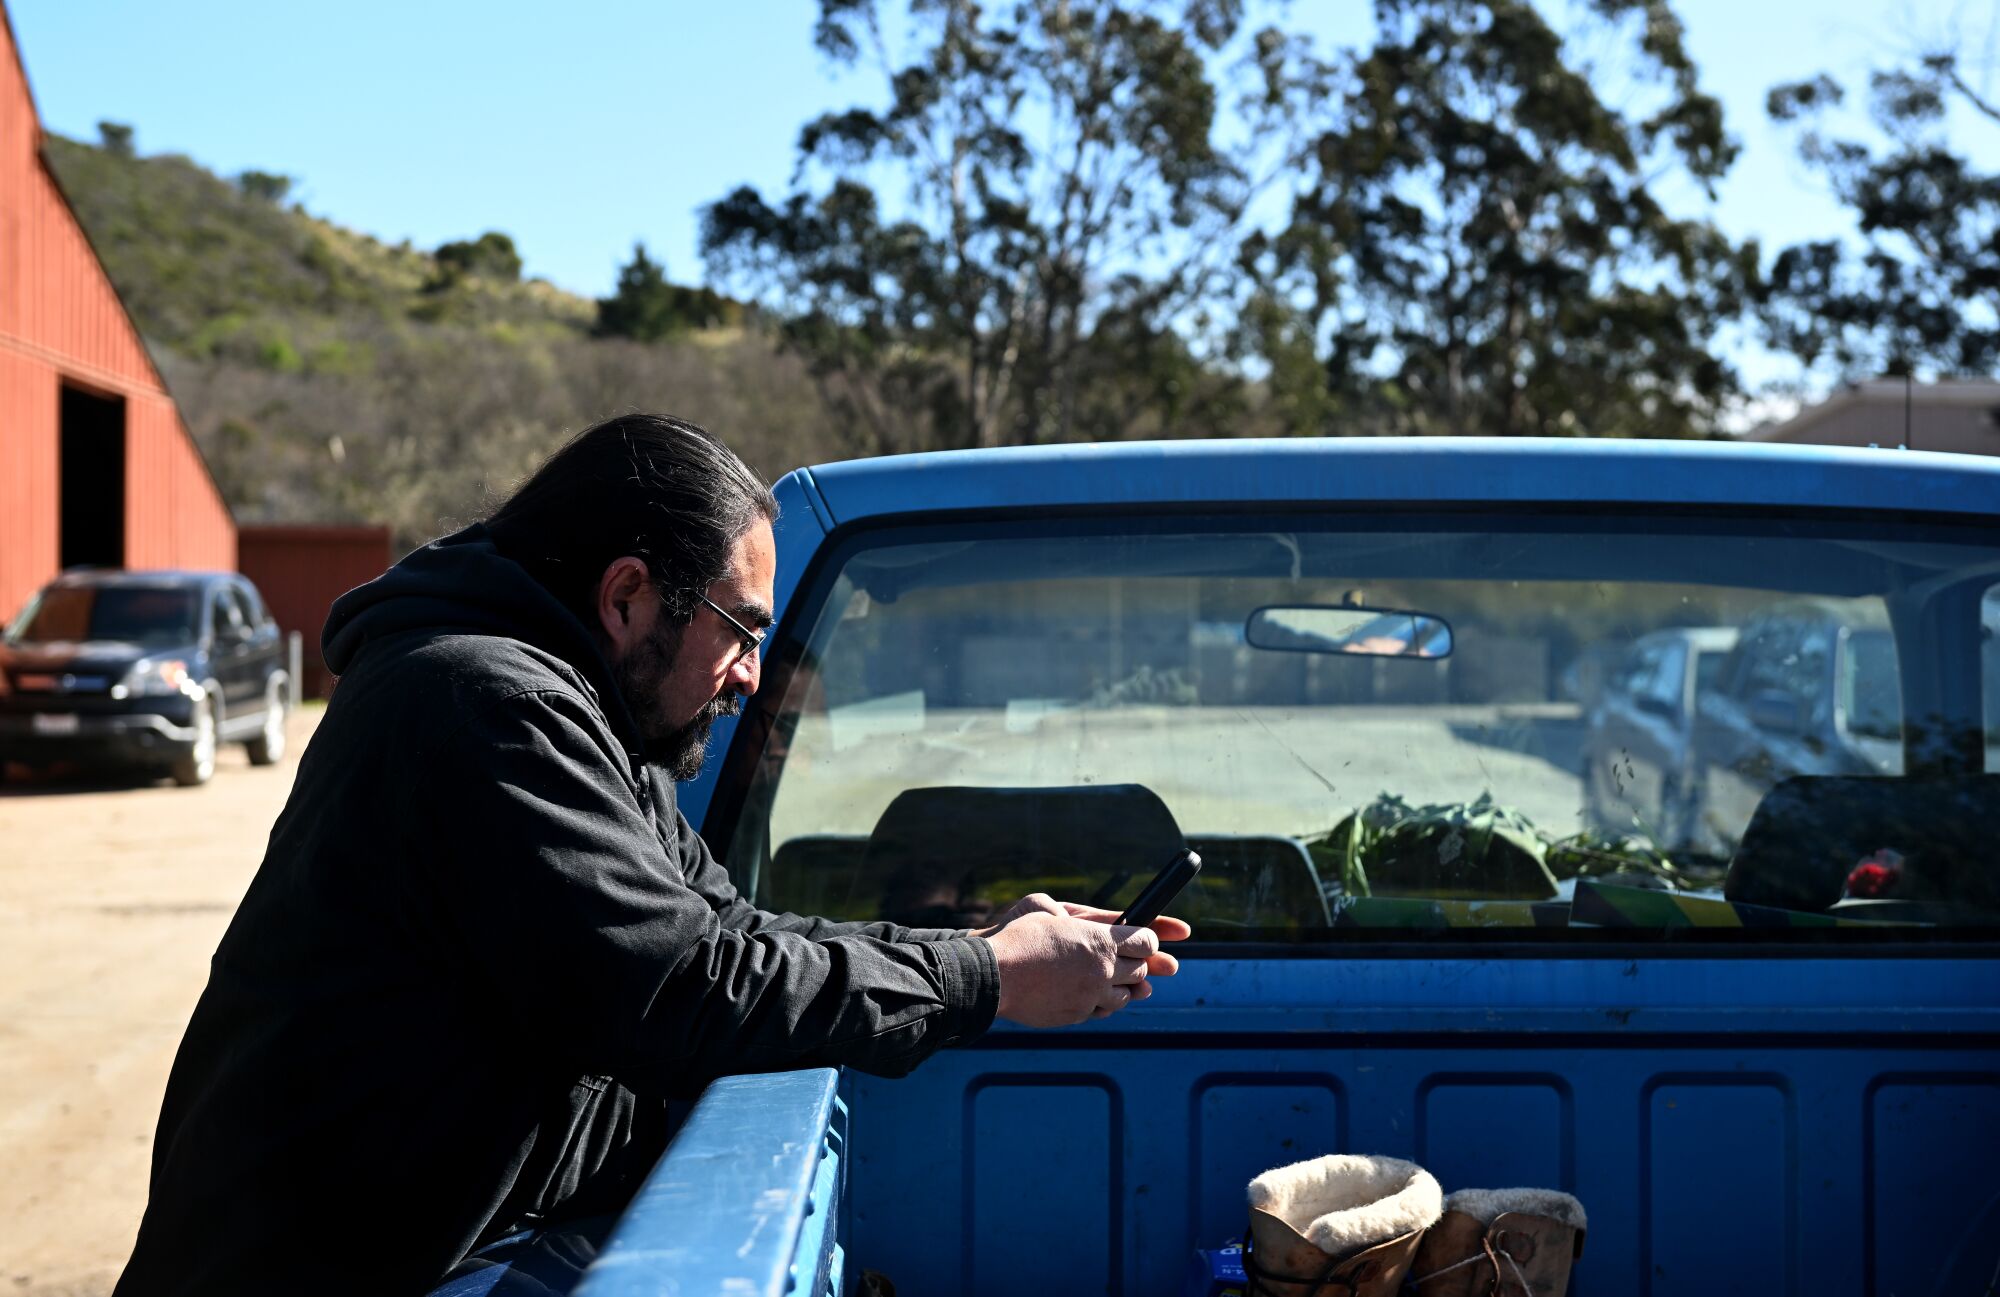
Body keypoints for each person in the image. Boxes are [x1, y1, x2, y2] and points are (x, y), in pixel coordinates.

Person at [113, 413, 1188, 1296]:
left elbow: (730, 930)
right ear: (628, 597)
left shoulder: (581, 722)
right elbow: (676, 983)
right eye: (742, 628)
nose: (752, 677)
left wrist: (975, 945)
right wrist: (987, 979)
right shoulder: (480, 707)